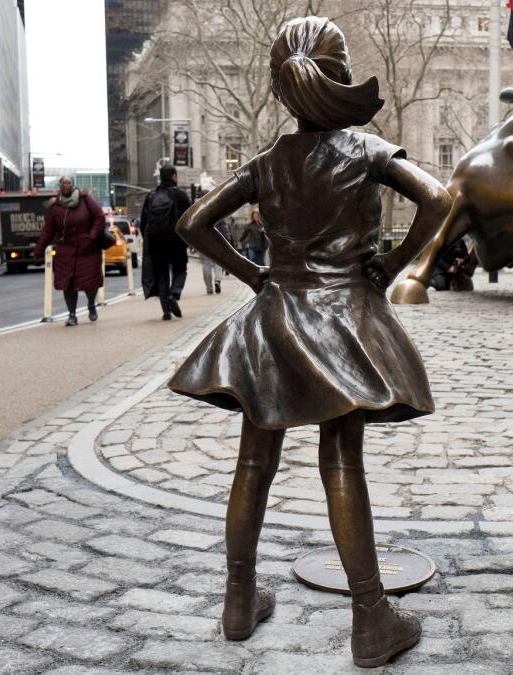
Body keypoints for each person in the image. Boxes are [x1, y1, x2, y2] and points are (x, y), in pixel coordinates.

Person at [169, 16, 450, 667]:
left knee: (253, 463)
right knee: (341, 462)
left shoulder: (269, 163)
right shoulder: (367, 151)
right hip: (341, 320)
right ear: (341, 76)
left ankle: (239, 602)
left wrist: (254, 275)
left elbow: (192, 221)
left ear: (282, 87)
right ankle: (371, 617)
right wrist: (394, 263)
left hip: (272, 321)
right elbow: (438, 199)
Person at [33, 175, 106, 326]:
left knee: (90, 283)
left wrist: (91, 236)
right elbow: (48, 230)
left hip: (87, 249)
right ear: (60, 186)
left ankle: (91, 304)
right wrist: (39, 250)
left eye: (69, 183)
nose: (66, 185)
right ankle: (72, 315)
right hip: (66, 250)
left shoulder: (85, 199)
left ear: (73, 185)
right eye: (63, 183)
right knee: (68, 284)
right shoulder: (55, 207)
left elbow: (99, 218)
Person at [140, 165, 193, 319]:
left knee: (162, 275)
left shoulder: (151, 196)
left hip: (157, 243)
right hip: (176, 241)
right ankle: (174, 294)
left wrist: (149, 240)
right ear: (174, 177)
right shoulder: (181, 196)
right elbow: (190, 219)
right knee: (180, 270)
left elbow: (144, 224)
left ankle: (166, 311)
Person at [202, 219, 230, 294]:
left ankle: (209, 288)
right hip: (216, 242)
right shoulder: (217, 213)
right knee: (218, 264)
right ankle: (217, 280)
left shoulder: (199, 212)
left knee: (206, 264)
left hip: (203, 243)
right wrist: (226, 243)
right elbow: (224, 230)